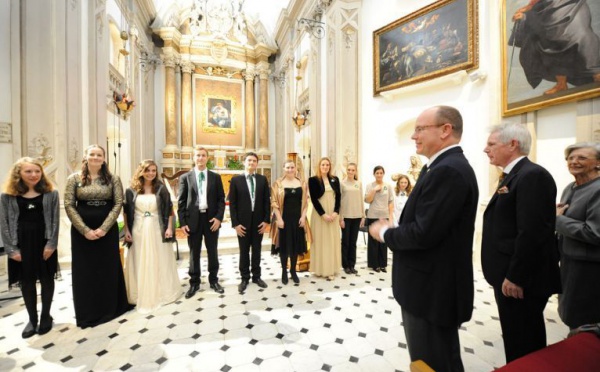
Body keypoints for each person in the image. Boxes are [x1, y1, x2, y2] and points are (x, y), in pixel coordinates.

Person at [369, 106, 479, 371]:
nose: (413, 136)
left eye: (420, 129)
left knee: (434, 361)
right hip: (429, 287)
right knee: (429, 360)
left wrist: (385, 232)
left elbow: (423, 233)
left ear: (445, 130)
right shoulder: (439, 167)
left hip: (432, 290)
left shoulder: (448, 171)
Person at [482, 123, 561, 363]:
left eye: (491, 144)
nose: (486, 149)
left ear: (512, 144)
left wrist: (516, 276)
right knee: (516, 337)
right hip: (510, 275)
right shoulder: (514, 175)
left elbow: (532, 232)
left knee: (524, 340)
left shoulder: (532, 175)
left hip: (521, 280)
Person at [64, 144, 132, 328]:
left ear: (104, 158)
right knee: (85, 271)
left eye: (99, 155)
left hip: (106, 231)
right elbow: (69, 205)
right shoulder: (74, 179)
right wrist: (84, 229)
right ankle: (88, 312)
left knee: (107, 267)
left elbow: (118, 203)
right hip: (81, 233)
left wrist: (104, 228)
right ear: (85, 157)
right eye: (92, 154)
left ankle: (111, 307)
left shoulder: (113, 179)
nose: (95, 157)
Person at [0, 158, 60, 338]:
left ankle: (46, 316)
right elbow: (4, 223)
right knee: (27, 282)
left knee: (47, 279)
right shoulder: (7, 196)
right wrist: (11, 249)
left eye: (37, 171)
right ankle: (32, 319)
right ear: (19, 174)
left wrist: (51, 244)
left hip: (44, 242)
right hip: (21, 244)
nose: (34, 175)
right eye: (28, 171)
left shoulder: (51, 193)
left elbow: (55, 221)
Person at [123, 160, 182, 313]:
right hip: (139, 229)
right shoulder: (131, 190)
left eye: (154, 170)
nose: (151, 173)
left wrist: (169, 228)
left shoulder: (161, 188)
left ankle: (163, 293)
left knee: (159, 259)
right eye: (148, 170)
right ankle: (138, 293)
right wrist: (127, 230)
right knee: (140, 259)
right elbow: (126, 212)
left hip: (158, 228)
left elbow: (169, 210)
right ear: (141, 171)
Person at [511, 0, 600, 95]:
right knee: (550, 41)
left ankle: (596, 74)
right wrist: (529, 8)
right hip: (548, 8)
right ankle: (561, 83)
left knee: (580, 34)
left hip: (571, 4)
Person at [555, 142, 600, 331]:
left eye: (582, 158)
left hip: (588, 269)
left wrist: (556, 219)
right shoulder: (570, 187)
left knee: (584, 319)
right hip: (568, 263)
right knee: (570, 314)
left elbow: (595, 233)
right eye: (571, 158)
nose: (574, 161)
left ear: (598, 163)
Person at [178, 146, 226, 297]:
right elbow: (181, 202)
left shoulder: (215, 177)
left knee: (213, 251)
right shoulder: (185, 177)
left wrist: (218, 218)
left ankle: (214, 280)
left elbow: (221, 200)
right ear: (194, 158)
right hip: (193, 220)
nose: (200, 158)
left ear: (207, 158)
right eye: (198, 155)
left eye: (203, 155)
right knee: (194, 253)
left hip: (211, 219)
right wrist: (183, 223)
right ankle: (194, 283)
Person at [229, 152, 271, 293]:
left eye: (254, 161)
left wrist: (266, 221)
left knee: (257, 250)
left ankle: (257, 277)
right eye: (249, 160)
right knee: (244, 251)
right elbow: (232, 204)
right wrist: (235, 224)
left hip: (259, 222)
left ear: (257, 164)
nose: (251, 163)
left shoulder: (262, 179)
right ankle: (244, 278)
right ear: (244, 162)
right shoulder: (236, 180)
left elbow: (267, 201)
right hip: (243, 223)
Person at [271, 159, 310, 284]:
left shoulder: (302, 183)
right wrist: (279, 219)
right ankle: (284, 271)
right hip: (283, 219)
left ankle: (293, 271)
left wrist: (303, 217)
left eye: (292, 167)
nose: (290, 170)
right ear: (284, 168)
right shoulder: (278, 183)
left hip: (297, 219)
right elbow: (274, 202)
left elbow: (305, 202)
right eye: (287, 167)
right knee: (284, 247)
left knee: (295, 246)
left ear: (296, 169)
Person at [308, 157, 341, 280]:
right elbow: (314, 199)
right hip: (319, 215)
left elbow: (338, 197)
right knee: (321, 241)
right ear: (319, 166)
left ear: (330, 166)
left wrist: (336, 212)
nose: (325, 167)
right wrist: (323, 214)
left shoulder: (335, 179)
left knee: (332, 241)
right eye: (323, 164)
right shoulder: (313, 180)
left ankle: (331, 269)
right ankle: (320, 269)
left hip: (333, 215)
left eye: (327, 164)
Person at [365, 166, 394, 273]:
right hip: (373, 215)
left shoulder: (388, 186)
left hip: (384, 215)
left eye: (381, 173)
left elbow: (390, 202)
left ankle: (382, 264)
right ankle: (374, 264)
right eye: (377, 173)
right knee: (373, 241)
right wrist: (374, 190)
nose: (379, 175)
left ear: (383, 174)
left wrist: (390, 216)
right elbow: (368, 200)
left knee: (383, 240)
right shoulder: (370, 186)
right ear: (374, 174)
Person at [339, 163, 365, 275]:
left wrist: (363, 215)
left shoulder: (358, 183)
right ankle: (345, 265)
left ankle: (352, 265)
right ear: (346, 170)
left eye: (352, 170)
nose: (350, 172)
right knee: (345, 242)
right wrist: (341, 218)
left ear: (355, 171)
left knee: (353, 242)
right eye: (349, 170)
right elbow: (339, 202)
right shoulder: (342, 183)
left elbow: (361, 200)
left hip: (357, 216)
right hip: (346, 217)